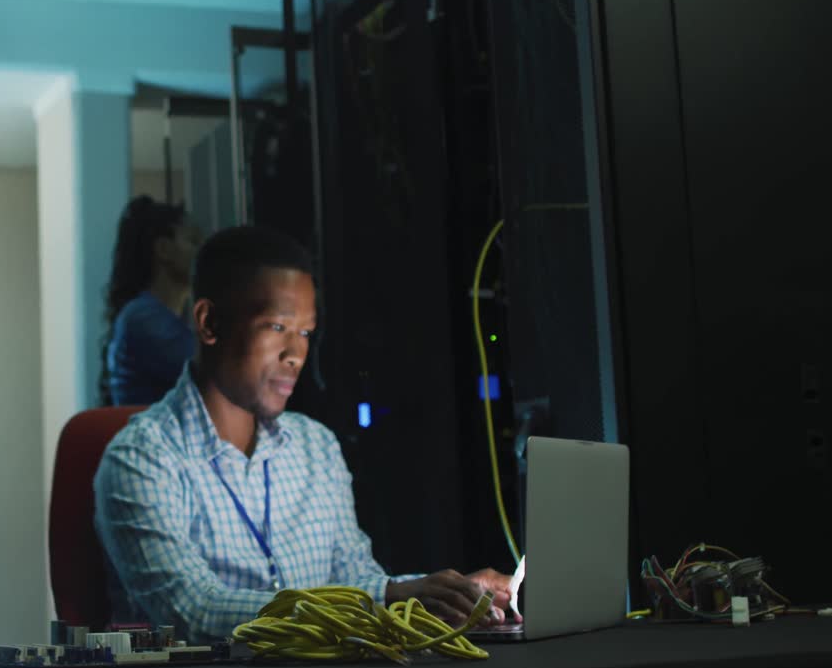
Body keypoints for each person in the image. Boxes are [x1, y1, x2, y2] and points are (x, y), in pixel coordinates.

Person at [93, 225, 519, 643]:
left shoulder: (316, 446)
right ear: (209, 323)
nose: (296, 354)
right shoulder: (140, 459)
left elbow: (357, 579)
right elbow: (193, 611)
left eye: (306, 333)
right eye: (278, 327)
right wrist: (388, 598)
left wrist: (452, 593)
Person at [100, 195, 202, 406]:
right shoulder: (143, 317)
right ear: (164, 249)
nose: (202, 250)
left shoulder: (164, 317)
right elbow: (218, 374)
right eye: (193, 241)